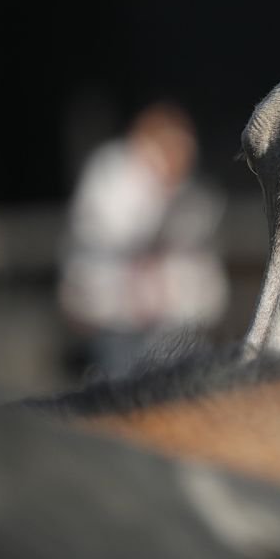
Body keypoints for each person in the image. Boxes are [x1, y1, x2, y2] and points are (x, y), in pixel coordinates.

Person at [59, 102, 228, 377]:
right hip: (118, 323)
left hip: (177, 326)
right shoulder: (110, 174)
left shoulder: (193, 190)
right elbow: (114, 234)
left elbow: (200, 255)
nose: (180, 157)